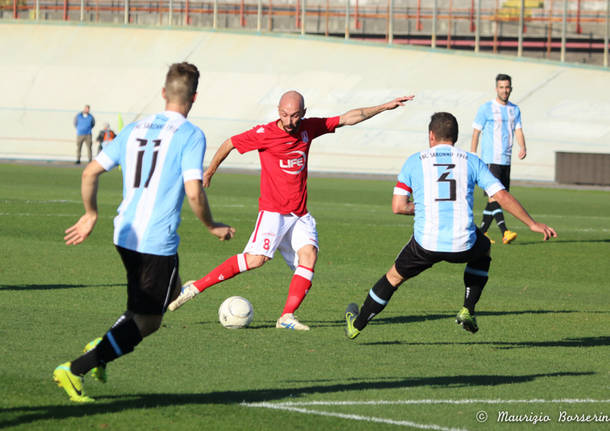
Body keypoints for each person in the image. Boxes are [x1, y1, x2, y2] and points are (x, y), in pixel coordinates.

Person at [53, 62, 235, 403]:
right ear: (194, 97)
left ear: (164, 93)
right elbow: (194, 191)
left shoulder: (134, 128)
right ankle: (76, 369)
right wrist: (212, 225)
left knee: (167, 292)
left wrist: (91, 214)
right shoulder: (190, 134)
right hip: (155, 240)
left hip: (125, 233)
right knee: (149, 322)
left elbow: (89, 173)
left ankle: (107, 341)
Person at [168, 90, 415, 331]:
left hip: (299, 214)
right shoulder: (264, 133)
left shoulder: (309, 128)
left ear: (303, 113)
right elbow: (230, 143)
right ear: (278, 112)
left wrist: (384, 106)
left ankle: (286, 316)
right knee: (255, 260)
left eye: (295, 115)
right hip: (273, 212)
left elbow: (349, 117)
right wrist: (209, 172)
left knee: (309, 256)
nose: (289, 121)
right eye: (285, 115)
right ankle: (194, 288)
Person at [344, 112, 556, 340]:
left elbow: (398, 206)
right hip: (463, 242)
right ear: (455, 136)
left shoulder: (415, 161)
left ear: (431, 135)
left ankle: (357, 324)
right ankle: (468, 309)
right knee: (483, 248)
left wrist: (425, 206)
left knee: (393, 278)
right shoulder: (472, 161)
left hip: (426, 243)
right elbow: (501, 195)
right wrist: (532, 223)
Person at [471, 73, 527, 245]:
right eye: (501, 87)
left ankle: (482, 233)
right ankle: (505, 231)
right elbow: (476, 132)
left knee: (497, 197)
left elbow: (518, 130)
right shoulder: (486, 108)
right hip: (491, 158)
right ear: (496, 89)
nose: (505, 90)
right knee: (496, 196)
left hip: (506, 159)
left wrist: (522, 146)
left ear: (511, 88)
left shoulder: (515, 109)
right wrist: (473, 153)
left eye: (507, 87)